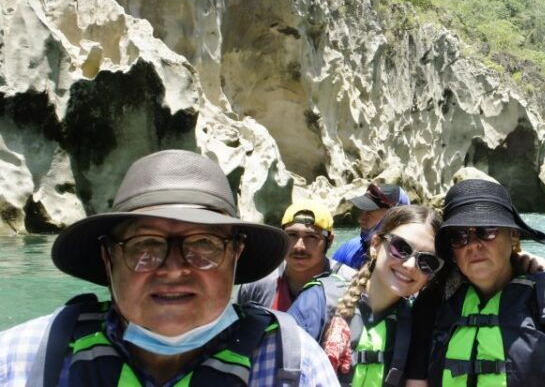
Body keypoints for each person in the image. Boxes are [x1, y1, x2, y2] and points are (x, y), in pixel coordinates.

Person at [0, 149, 338, 387]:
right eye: (145, 245)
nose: (174, 270)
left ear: (236, 255)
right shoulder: (19, 360)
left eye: (204, 244)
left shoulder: (293, 365)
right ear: (108, 258)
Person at [405, 179, 545, 387]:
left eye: (487, 231)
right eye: (460, 236)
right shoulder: (434, 300)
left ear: (513, 235)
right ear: (451, 249)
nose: (474, 245)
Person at [308, 205, 443, 386]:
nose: (410, 265)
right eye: (400, 247)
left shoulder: (415, 325)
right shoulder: (318, 300)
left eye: (427, 261)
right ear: (376, 245)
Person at [237, 198, 356, 339]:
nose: (299, 246)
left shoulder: (350, 284)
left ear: (329, 241)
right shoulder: (257, 280)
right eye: (292, 235)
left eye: (311, 237)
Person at [331, 183, 410, 269]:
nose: (361, 219)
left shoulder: (408, 265)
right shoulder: (350, 249)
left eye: (369, 213)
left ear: (393, 218)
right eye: (363, 211)